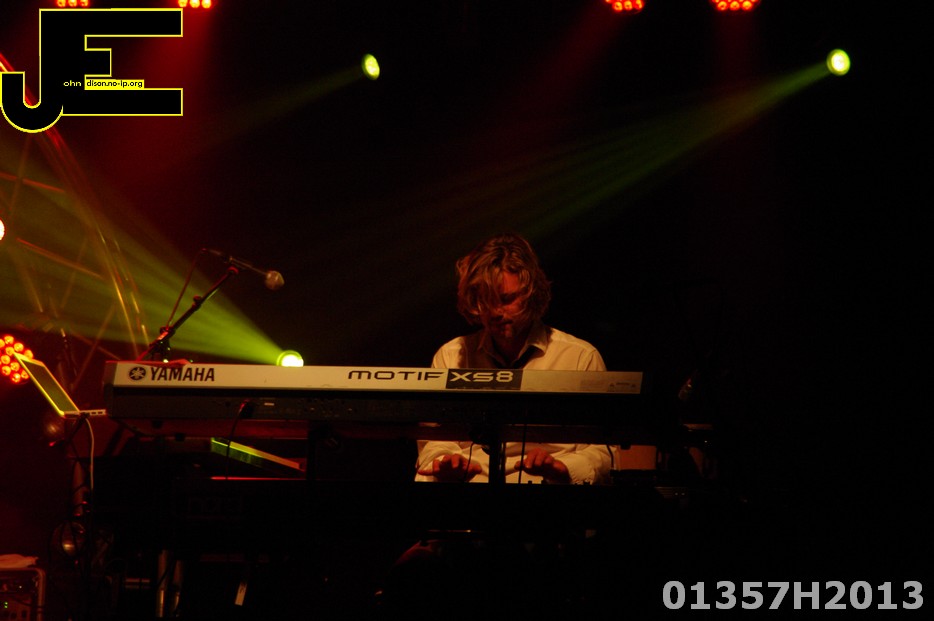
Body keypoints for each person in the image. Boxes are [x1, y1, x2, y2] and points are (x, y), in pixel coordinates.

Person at [414, 232, 613, 485]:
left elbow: (604, 453)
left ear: (532, 293)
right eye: (486, 301)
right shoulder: (451, 355)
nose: (496, 311)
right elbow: (432, 441)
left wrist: (562, 469)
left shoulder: (579, 358)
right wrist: (445, 462)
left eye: (507, 299)